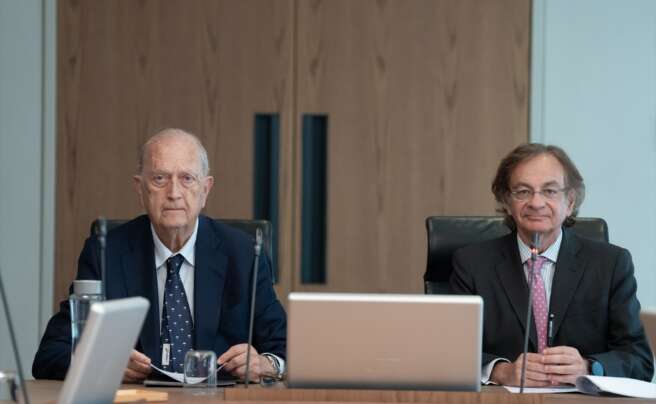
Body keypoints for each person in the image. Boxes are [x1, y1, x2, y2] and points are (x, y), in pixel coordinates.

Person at [33, 129, 286, 382]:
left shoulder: (243, 253)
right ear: (140, 189)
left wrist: (268, 365)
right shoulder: (106, 254)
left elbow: (288, 348)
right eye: (159, 178)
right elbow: (51, 354)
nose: (174, 193)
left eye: (187, 178)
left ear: (205, 190)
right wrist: (105, 364)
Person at [450, 143, 653, 386]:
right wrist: (501, 371)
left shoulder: (610, 264)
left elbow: (639, 360)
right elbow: (449, 352)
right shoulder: (472, 264)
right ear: (506, 201)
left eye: (549, 191)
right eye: (523, 191)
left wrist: (589, 367)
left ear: (569, 201)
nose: (536, 203)